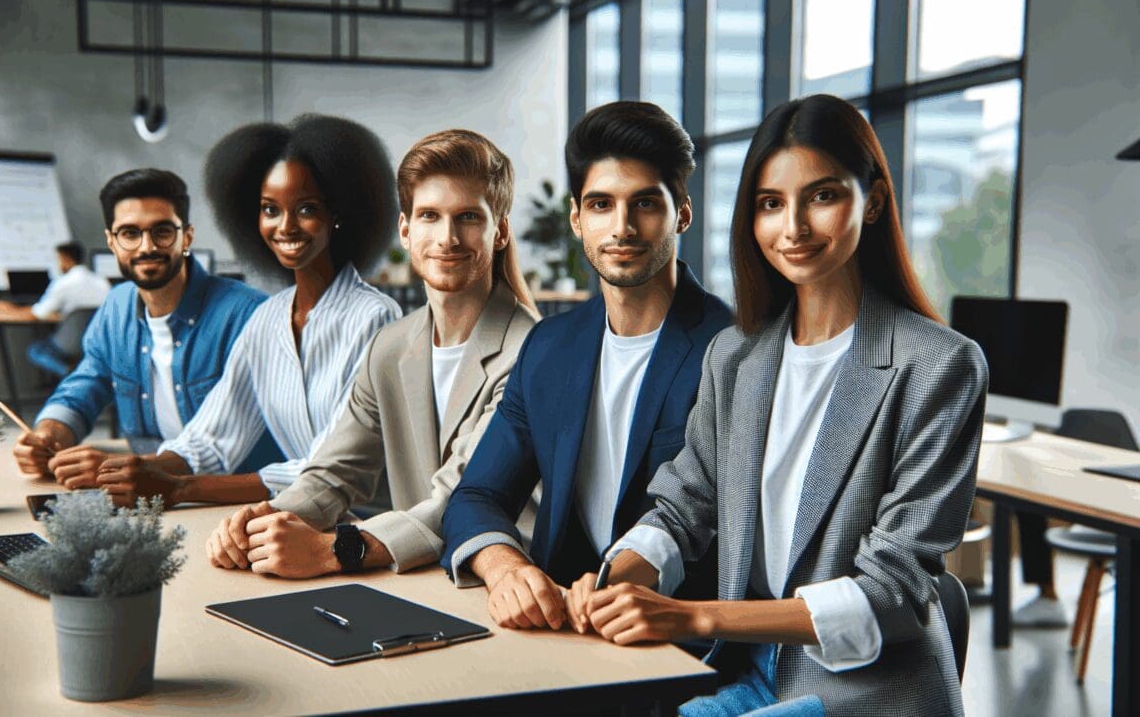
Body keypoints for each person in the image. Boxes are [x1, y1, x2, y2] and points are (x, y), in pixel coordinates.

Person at [564, 94, 988, 716]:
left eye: (822, 196)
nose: (793, 228)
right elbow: (685, 506)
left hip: (863, 693)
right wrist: (615, 584)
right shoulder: (736, 355)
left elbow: (893, 589)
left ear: (872, 201)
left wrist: (693, 616)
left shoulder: (939, 365)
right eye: (770, 204)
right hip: (753, 672)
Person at [439, 101, 734, 629]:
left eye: (646, 203)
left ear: (682, 213)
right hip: (559, 627)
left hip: (680, 638)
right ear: (577, 219)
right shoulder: (549, 347)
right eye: (601, 204)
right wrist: (507, 570)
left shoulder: (734, 349)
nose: (622, 227)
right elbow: (477, 496)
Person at [205, 129, 543, 578]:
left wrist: (332, 550)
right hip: (416, 580)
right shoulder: (390, 346)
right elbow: (335, 472)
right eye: (429, 216)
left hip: (503, 583)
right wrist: (264, 519)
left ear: (499, 232)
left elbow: (459, 500)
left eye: (467, 217)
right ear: (405, 230)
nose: (447, 237)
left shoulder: (534, 351)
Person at [86, 115, 401, 509]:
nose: (285, 227)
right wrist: (126, 470)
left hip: (373, 523)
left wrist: (177, 488)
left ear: (337, 213)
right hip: (302, 516)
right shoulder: (268, 319)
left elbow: (330, 468)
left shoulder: (375, 318)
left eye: (306, 208)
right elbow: (212, 437)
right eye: (270, 209)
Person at [12, 169, 279, 478]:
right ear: (112, 242)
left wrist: (134, 469)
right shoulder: (116, 307)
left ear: (187, 236)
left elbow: (222, 442)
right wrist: (49, 434)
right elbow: (86, 384)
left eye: (162, 232)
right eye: (129, 234)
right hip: (148, 492)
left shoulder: (249, 314)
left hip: (238, 494)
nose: (146, 247)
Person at [0, 241, 110, 376]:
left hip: (69, 345)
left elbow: (36, 314)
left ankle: (69, 373)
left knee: (37, 350)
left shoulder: (64, 283)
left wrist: (10, 309)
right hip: (97, 343)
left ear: (65, 258)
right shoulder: (102, 282)